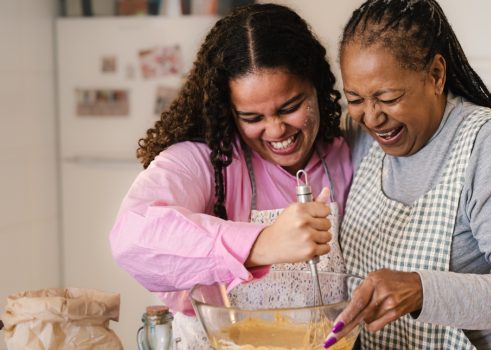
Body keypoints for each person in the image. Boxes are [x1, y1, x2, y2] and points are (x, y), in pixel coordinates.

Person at [108, 4, 352, 349]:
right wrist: (262, 244)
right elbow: (132, 237)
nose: (276, 129)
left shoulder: (345, 153)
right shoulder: (207, 162)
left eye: (290, 107)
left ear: (317, 84)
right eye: (252, 117)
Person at [323, 0, 491, 349]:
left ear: (436, 75)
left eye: (388, 97)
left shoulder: (486, 142)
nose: (371, 117)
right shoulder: (359, 136)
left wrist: (420, 289)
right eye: (355, 98)